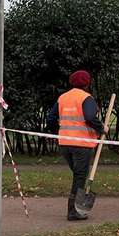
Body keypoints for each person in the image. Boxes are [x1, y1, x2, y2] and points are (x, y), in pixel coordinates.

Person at [47, 70, 108, 221]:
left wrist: (60, 132)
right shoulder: (86, 98)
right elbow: (89, 117)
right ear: (87, 83)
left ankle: (75, 207)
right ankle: (73, 211)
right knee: (80, 176)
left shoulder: (63, 97)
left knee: (78, 175)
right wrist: (102, 129)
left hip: (65, 144)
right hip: (82, 144)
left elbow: (50, 118)